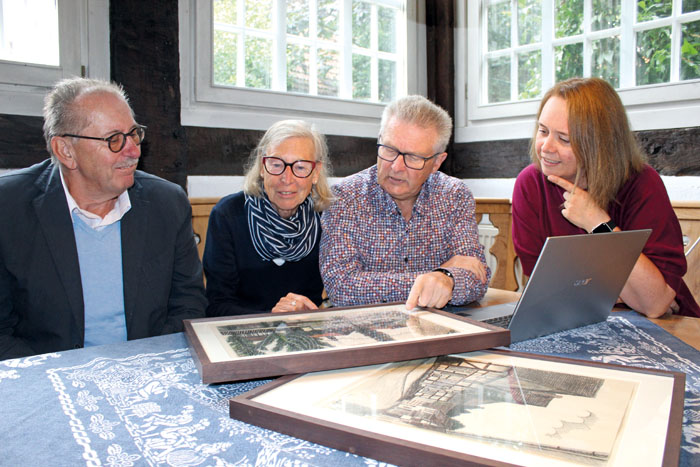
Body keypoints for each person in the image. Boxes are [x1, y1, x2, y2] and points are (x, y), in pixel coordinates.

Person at [0, 77, 207, 360]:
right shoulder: (9, 207)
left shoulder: (167, 203)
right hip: (47, 376)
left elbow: (188, 305)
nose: (133, 151)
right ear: (66, 151)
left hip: (147, 369)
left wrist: (147, 364)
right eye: (114, 140)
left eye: (134, 134)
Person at [512, 77, 699, 318]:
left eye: (564, 139)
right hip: (581, 318)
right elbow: (545, 290)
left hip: (673, 327)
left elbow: (654, 304)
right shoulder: (530, 185)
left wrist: (599, 224)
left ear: (599, 144)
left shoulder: (642, 183)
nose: (546, 147)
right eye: (543, 131)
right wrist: (627, 295)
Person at [320, 95, 490, 310]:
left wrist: (445, 279)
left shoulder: (454, 195)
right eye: (389, 150)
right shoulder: (345, 197)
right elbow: (341, 287)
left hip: (438, 329)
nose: (396, 167)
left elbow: (478, 277)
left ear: (437, 162)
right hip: (367, 330)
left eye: (413, 158)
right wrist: (440, 276)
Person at [203, 120, 333, 316]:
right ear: (262, 167)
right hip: (242, 333)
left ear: (315, 172)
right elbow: (216, 305)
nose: (287, 179)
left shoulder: (324, 218)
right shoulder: (227, 215)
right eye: (276, 164)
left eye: (300, 167)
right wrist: (271, 318)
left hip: (302, 331)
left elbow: (321, 298)